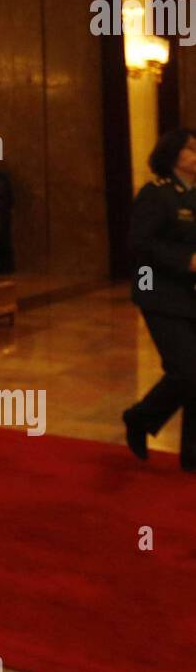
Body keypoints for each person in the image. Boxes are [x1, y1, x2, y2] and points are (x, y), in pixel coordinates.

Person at [123, 127, 196, 471]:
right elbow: (140, 243)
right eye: (191, 150)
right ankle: (139, 418)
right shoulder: (157, 194)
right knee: (186, 371)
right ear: (173, 155)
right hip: (158, 292)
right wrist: (186, 260)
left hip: (191, 293)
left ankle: (193, 453)